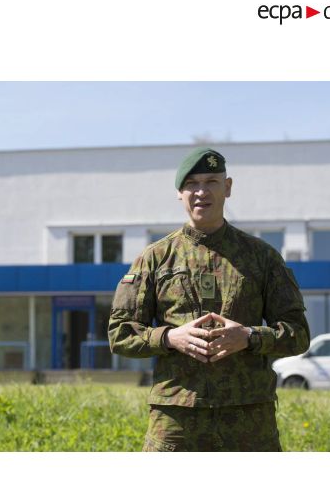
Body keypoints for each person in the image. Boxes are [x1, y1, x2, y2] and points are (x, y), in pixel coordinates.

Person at [108, 147, 310, 452]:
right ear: (179, 192)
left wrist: (250, 336)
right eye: (192, 184)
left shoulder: (262, 258)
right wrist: (170, 337)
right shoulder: (155, 258)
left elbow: (299, 334)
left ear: (227, 188)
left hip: (249, 420)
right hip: (176, 420)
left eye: (211, 182)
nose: (201, 192)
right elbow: (119, 333)